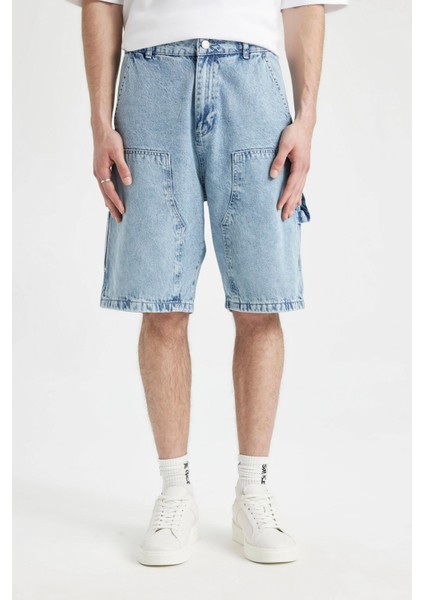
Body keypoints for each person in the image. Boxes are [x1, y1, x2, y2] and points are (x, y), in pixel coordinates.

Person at [67, 0, 348, 566]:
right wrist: (100, 120)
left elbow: (305, 5)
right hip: (150, 83)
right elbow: (101, 2)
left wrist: (307, 119)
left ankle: (253, 492)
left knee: (261, 301)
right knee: (161, 303)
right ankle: (175, 493)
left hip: (254, 86)